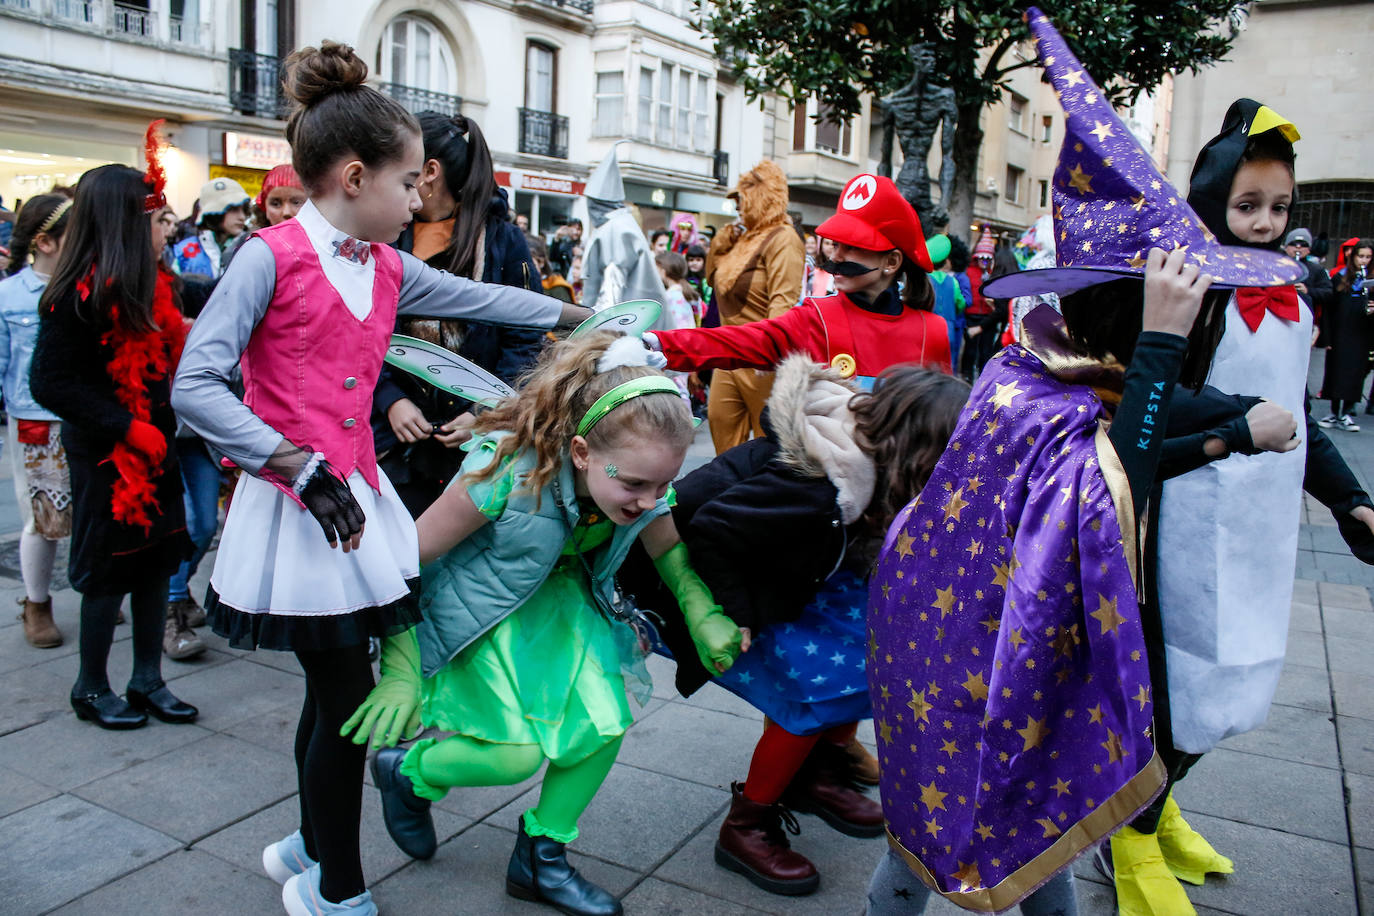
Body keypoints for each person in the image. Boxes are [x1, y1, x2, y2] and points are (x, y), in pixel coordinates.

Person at [866, 14, 1305, 914]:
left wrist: (1221, 429)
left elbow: (1120, 464)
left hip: (958, 640)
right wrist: (1161, 347)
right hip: (976, 659)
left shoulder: (1033, 366)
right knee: (972, 828)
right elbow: (1117, 486)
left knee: (1009, 829)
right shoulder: (1053, 392)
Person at [170, 42, 589, 916]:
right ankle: (336, 887)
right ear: (354, 178)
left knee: (335, 697)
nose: (416, 201)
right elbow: (196, 384)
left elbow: (484, 302)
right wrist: (288, 461)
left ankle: (309, 850)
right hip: (299, 510)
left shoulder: (387, 266)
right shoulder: (268, 257)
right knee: (351, 699)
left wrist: (587, 317)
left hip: (355, 500)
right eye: (408, 184)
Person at [346, 332, 742, 916]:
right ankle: (409, 772)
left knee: (603, 725)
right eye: (633, 484)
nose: (648, 500)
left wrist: (703, 613)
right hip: (483, 614)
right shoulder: (502, 471)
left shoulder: (643, 487)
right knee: (515, 755)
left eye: (663, 485)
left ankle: (541, 856)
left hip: (565, 607)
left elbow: (669, 554)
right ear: (581, 453)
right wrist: (400, 669)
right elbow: (403, 565)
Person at [622, 357, 968, 896]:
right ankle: (747, 825)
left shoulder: (861, 451)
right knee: (810, 698)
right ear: (917, 452)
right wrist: (731, 614)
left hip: (779, 562)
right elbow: (712, 531)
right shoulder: (815, 487)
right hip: (713, 571)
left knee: (864, 661)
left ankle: (815, 776)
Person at [30, 152, 200, 733]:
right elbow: (50, 383)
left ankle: (147, 678)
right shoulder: (72, 299)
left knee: (154, 566)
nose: (166, 228)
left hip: (158, 453)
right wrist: (128, 428)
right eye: (156, 220)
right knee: (106, 575)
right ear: (126, 226)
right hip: (108, 459)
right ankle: (91, 686)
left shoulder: (155, 288)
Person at [372, 111, 549, 518]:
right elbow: (361, 330)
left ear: (429, 171)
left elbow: (526, 339)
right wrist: (391, 399)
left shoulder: (502, 240)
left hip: (477, 453)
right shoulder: (385, 232)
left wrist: (484, 412)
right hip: (392, 447)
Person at [645, 173, 951, 391]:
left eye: (854, 246)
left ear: (892, 262)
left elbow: (942, 426)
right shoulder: (813, 317)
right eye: (837, 243)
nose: (837, 254)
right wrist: (657, 344)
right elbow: (734, 342)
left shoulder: (932, 332)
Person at [683, 160, 803, 452]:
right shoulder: (742, 238)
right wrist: (722, 245)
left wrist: (771, 351)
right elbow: (712, 280)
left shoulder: (784, 238)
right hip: (730, 353)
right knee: (721, 423)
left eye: (742, 199)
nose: (737, 207)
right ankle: (728, 493)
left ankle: (762, 497)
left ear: (762, 197)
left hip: (763, 358)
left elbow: (783, 302)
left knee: (767, 444)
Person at [0, 192, 74, 648]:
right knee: (43, 516)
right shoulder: (9, 295)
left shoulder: (83, 285)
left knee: (89, 509)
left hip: (82, 417)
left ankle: (94, 588)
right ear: (45, 242)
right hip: (34, 420)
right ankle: (36, 601)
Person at [580, 146, 667, 312]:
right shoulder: (617, 224)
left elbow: (613, 281)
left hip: (628, 315)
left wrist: (601, 323)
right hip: (631, 312)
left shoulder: (617, 228)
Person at [1321, 239, 1374, 428]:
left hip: (1361, 333)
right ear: (1353, 257)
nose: (1364, 261)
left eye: (1368, 257)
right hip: (1340, 331)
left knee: (1355, 373)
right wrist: (1326, 337)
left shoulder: (1371, 280)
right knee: (1336, 371)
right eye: (1361, 256)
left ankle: (1347, 412)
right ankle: (1334, 412)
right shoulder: (1340, 277)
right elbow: (1329, 310)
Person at [173, 177, 249, 278]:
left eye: (244, 210)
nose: (242, 217)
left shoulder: (249, 248)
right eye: (233, 209)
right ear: (214, 213)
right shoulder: (183, 252)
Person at [925, 234, 964, 367]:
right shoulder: (952, 281)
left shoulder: (925, 279)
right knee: (948, 363)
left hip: (927, 326)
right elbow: (960, 304)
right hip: (949, 329)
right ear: (946, 260)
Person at [684, 242, 711, 311]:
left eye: (698, 260)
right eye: (691, 260)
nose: (694, 263)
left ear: (704, 262)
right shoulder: (683, 279)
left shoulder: (706, 281)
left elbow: (708, 300)